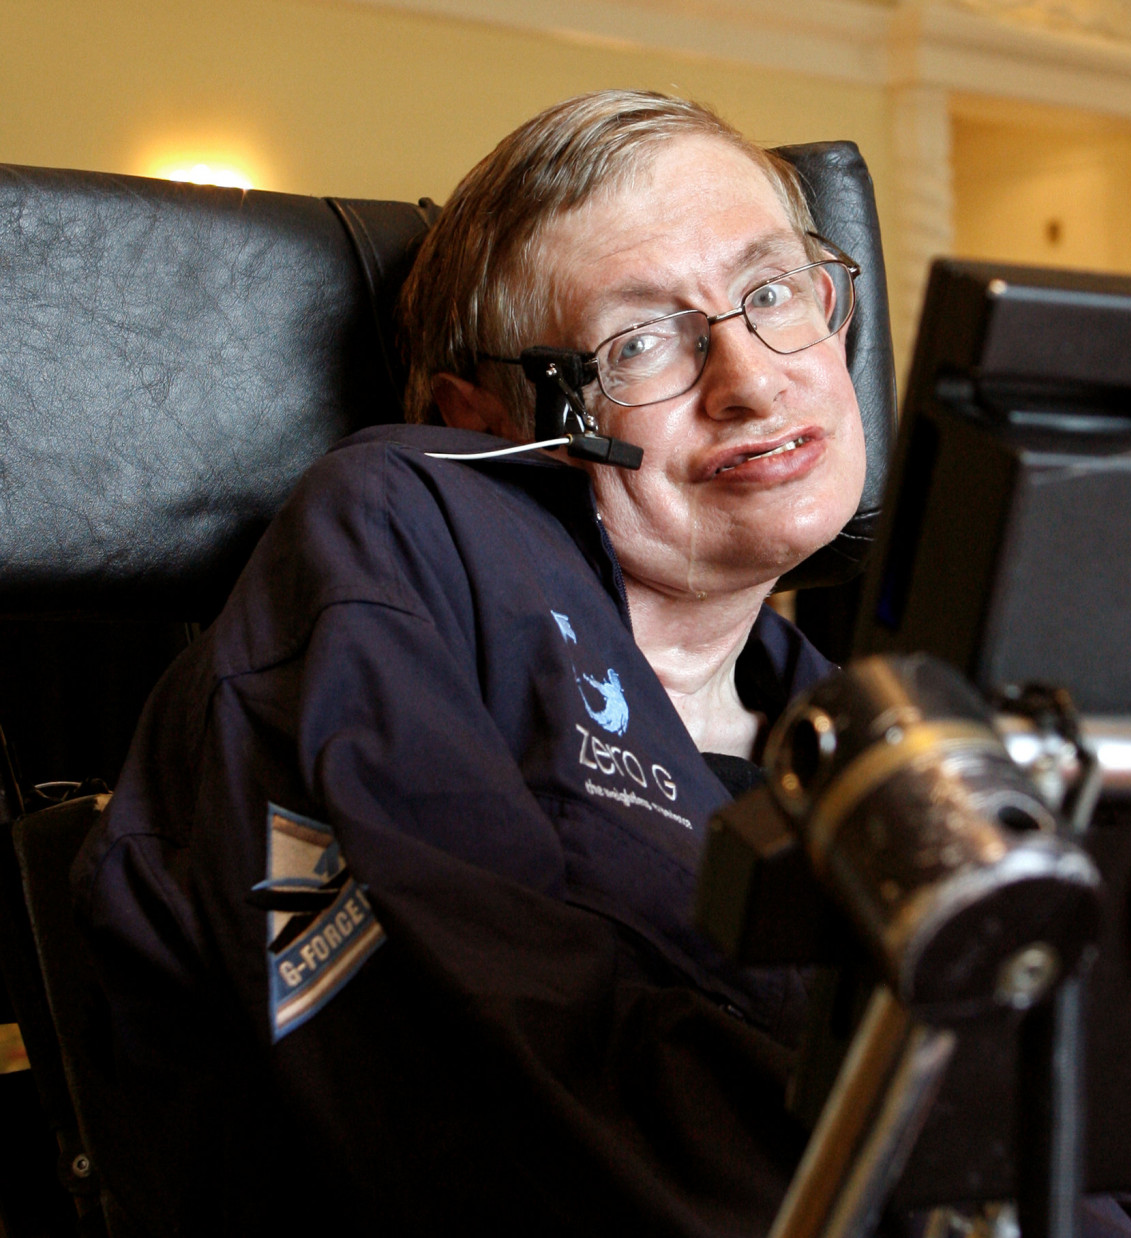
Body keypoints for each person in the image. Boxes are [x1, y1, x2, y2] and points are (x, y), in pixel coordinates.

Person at [73, 91, 865, 1236]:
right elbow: (489, 1090)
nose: (754, 376)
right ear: (485, 422)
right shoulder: (405, 524)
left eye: (774, 290)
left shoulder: (846, 721)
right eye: (640, 343)